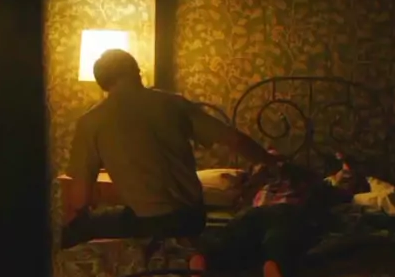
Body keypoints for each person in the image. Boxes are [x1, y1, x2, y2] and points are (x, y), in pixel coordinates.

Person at [62, 49, 278, 248]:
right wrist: (270, 161)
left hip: (147, 222)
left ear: (102, 83)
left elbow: (80, 199)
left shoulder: (91, 122)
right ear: (136, 71)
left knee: (74, 229)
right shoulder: (174, 103)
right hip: (191, 218)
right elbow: (235, 140)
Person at [190, 159, 347, 277]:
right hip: (274, 213)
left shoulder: (294, 183)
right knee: (275, 238)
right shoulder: (291, 186)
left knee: (235, 237)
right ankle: (273, 270)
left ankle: (202, 259)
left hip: (262, 213)